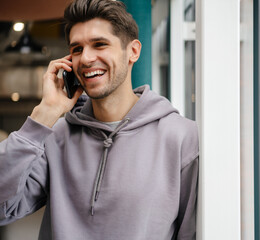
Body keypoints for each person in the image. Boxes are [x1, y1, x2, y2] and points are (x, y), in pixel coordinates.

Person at [0, 0, 199, 239]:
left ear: (133, 51)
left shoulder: (181, 137)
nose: (85, 59)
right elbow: (3, 209)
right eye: (76, 49)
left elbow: (192, 232)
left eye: (100, 44)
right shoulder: (57, 137)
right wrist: (44, 114)